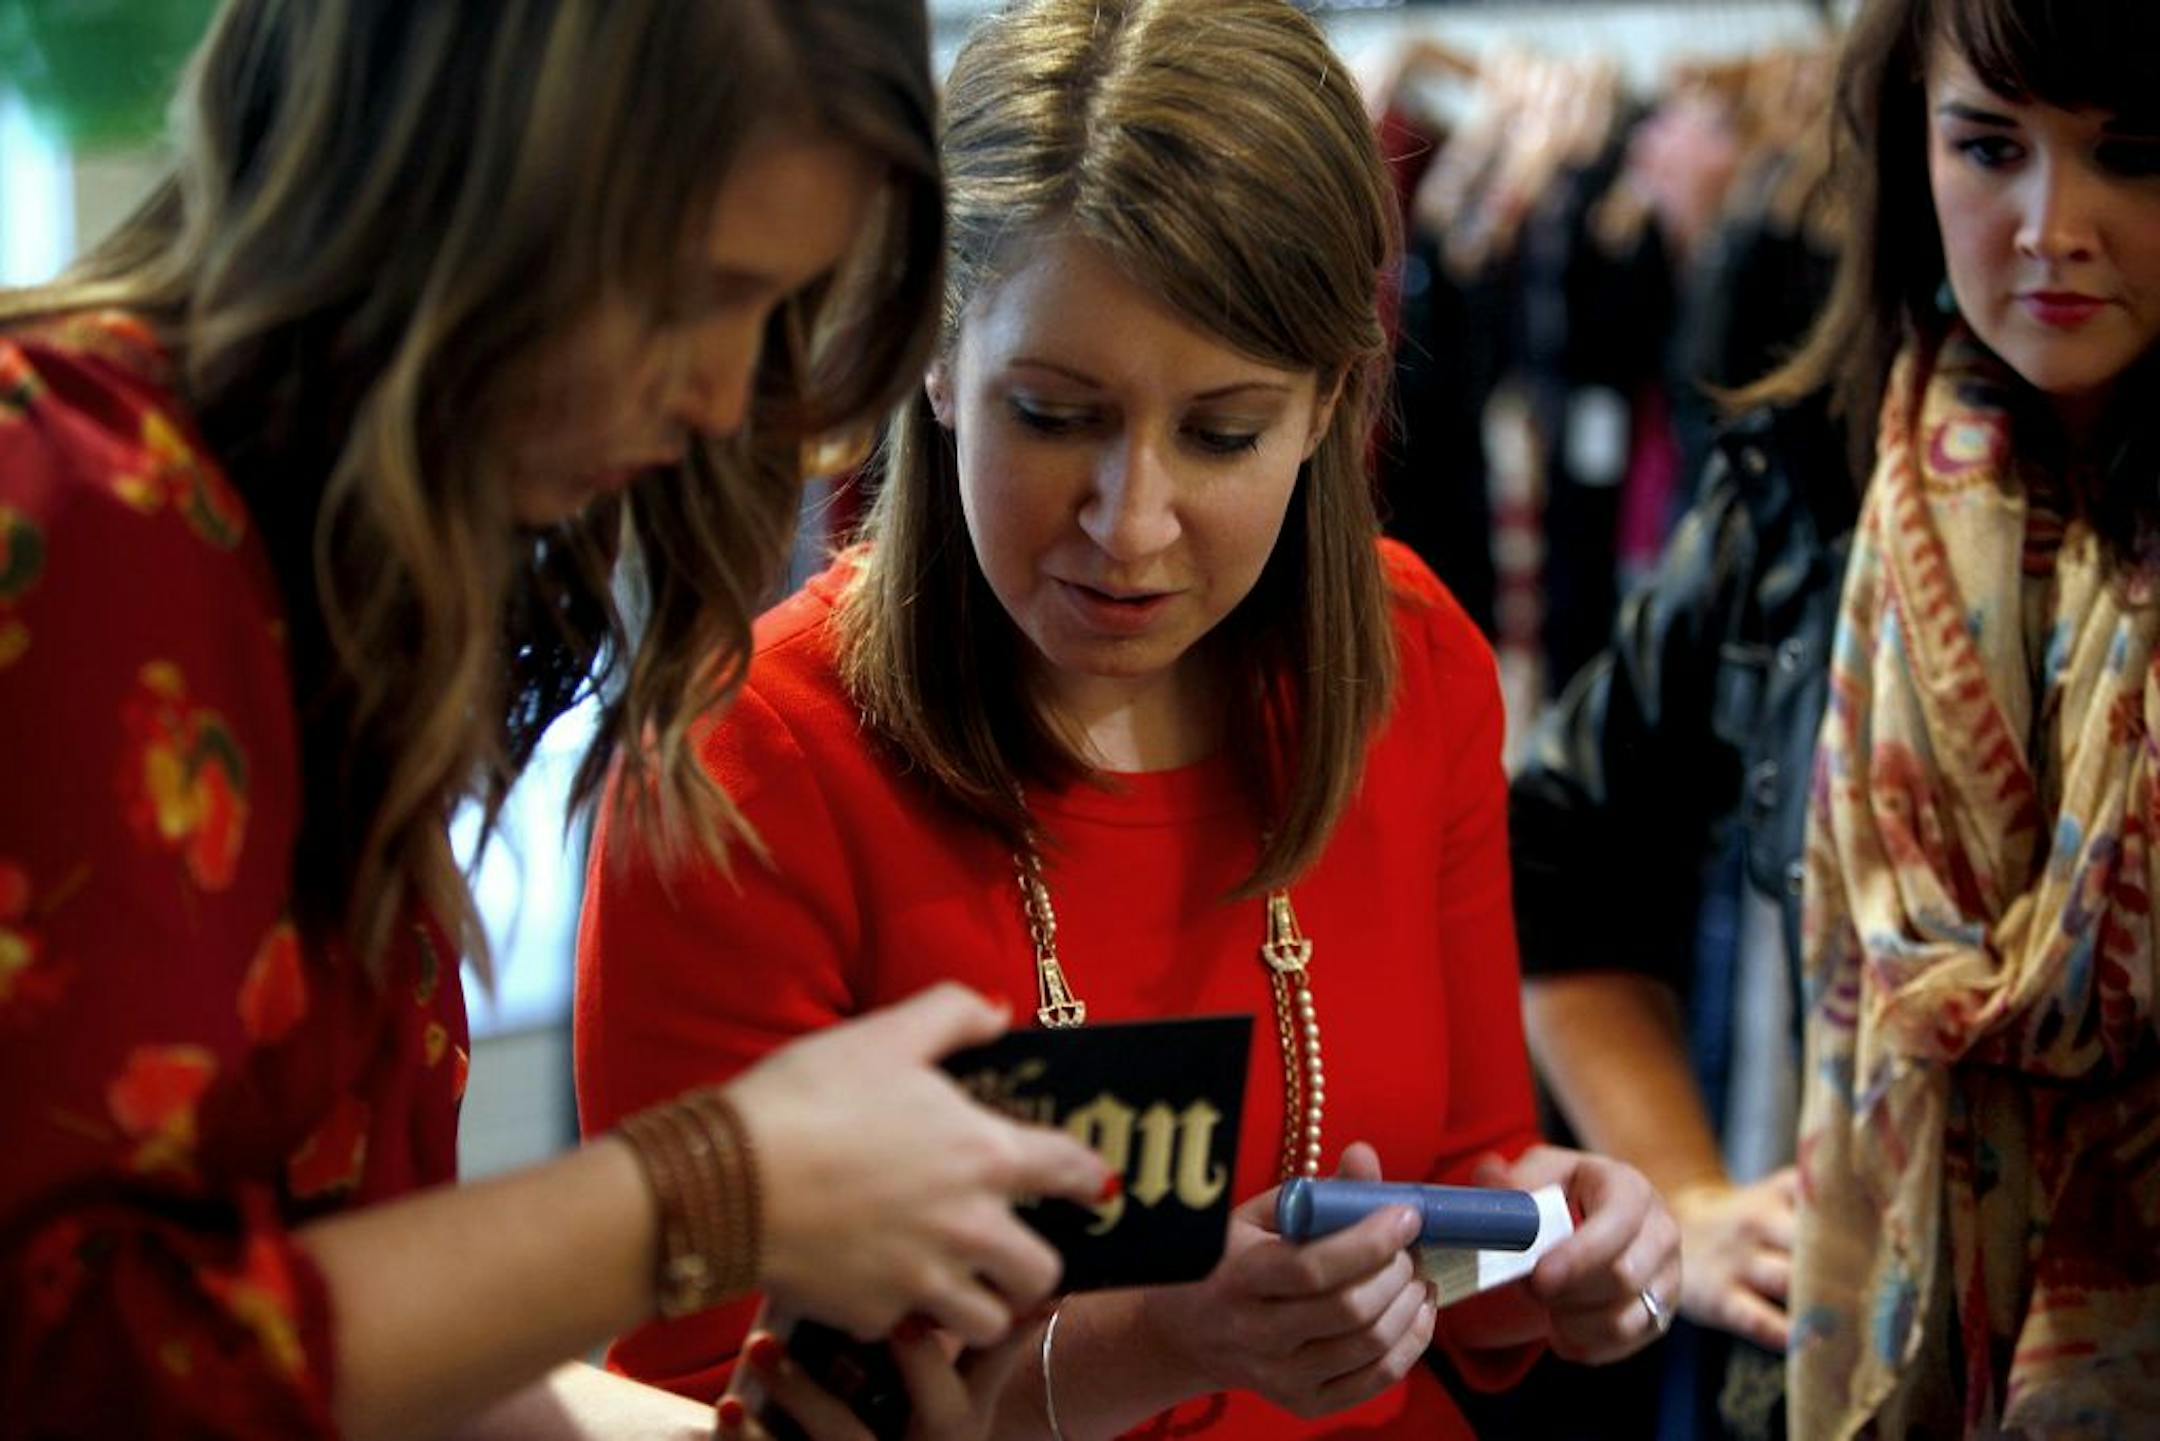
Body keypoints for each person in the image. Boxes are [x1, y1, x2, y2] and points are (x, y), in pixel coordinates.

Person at [0, 4, 1116, 1439]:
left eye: (776, 312)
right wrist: (715, 1187)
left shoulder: (310, 581)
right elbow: (81, 1363)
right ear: (458, 187)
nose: (724, 395)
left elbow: (325, 1338)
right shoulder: (82, 503)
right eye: (688, 292)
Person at [576, 2, 1681, 1438]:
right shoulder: (747, 764)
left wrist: (1570, 1236)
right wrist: (1159, 1341)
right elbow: (696, 1397)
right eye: (1051, 414)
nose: (1131, 523)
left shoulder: (1414, 659)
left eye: (1223, 433)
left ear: (1329, 407)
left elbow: (1462, 1169)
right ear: (930, 354)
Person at [1522, 0, 2160, 1435]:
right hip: (1844, 1377)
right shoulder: (1805, 499)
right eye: (1988, 147)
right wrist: (1683, 1196)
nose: (2053, 223)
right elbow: (1558, 862)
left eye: (2132, 156)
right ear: (1906, 150)